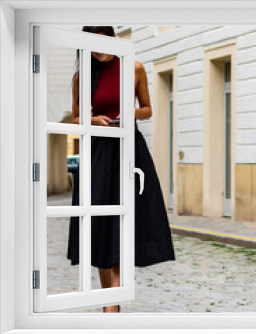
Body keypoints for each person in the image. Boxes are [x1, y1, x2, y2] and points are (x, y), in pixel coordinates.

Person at [66, 26, 176, 313]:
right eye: (92, 44)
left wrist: (129, 113)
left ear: (114, 40)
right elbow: (76, 116)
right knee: (99, 225)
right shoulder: (81, 77)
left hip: (129, 150)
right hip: (97, 153)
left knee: (124, 223)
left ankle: (110, 306)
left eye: (103, 42)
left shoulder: (134, 69)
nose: (98, 49)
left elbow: (148, 109)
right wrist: (94, 121)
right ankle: (109, 302)